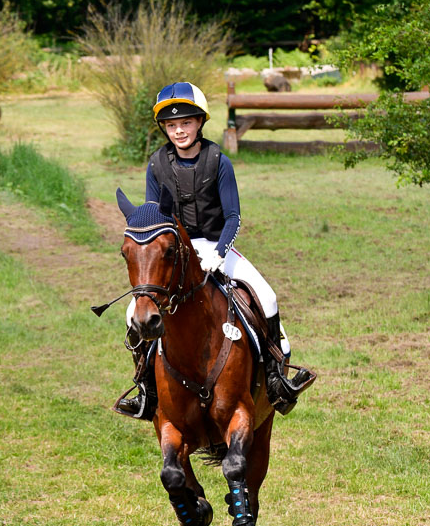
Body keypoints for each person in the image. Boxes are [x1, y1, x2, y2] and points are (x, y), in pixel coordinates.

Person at [115, 81, 314, 419]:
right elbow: (154, 216)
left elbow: (233, 217)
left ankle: (277, 378)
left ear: (200, 123)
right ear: (164, 128)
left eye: (186, 123)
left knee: (267, 297)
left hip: (216, 245)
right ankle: (146, 388)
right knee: (133, 312)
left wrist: (219, 253)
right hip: (174, 251)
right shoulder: (156, 164)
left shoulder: (219, 161)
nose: (179, 131)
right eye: (172, 125)